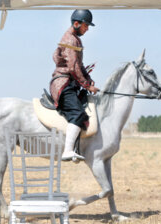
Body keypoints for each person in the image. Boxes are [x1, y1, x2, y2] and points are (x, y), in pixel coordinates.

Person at [49, 9, 100, 161]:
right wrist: (87, 85)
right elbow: (72, 68)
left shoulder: (75, 39)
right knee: (78, 114)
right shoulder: (71, 40)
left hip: (70, 82)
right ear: (76, 23)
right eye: (85, 25)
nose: (87, 28)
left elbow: (79, 64)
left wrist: (88, 78)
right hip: (63, 84)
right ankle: (68, 150)